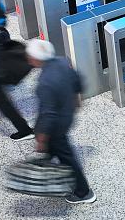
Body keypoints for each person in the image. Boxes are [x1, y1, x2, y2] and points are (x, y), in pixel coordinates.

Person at [26, 38, 96, 204]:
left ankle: (83, 192)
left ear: (37, 59)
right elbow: (77, 80)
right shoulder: (63, 62)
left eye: (29, 56)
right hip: (67, 114)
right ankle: (49, 164)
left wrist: (41, 138)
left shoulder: (45, 83)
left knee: (66, 155)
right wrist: (77, 100)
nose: (28, 59)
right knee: (56, 150)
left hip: (56, 125)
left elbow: (48, 114)